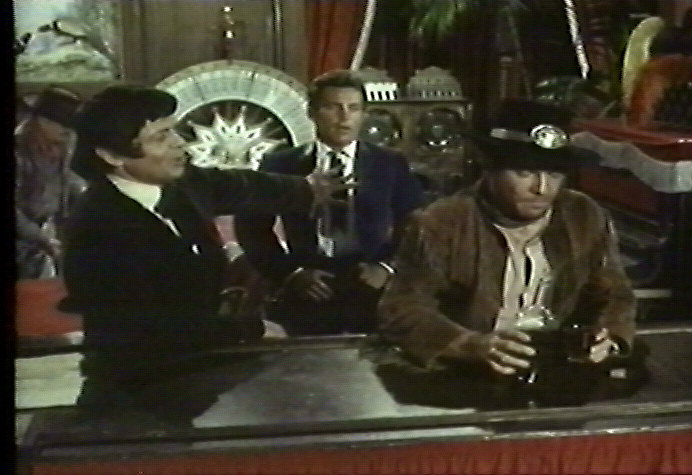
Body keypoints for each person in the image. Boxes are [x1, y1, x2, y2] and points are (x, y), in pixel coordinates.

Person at [59, 85, 351, 413]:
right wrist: (249, 329)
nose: (179, 143)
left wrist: (307, 188)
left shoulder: (181, 185)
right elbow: (149, 331)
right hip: (134, 394)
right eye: (161, 137)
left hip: (194, 375)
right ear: (112, 156)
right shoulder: (96, 230)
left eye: (173, 131)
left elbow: (240, 186)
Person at [378, 99, 636, 375]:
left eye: (553, 174)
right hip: (466, 372)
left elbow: (615, 293)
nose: (542, 188)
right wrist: (468, 345)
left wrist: (609, 336)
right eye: (525, 173)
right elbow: (402, 307)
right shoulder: (443, 221)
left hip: (559, 365)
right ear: (490, 169)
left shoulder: (583, 215)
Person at [234, 70, 425, 335]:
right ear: (312, 112)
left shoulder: (390, 163)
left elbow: (417, 225)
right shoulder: (280, 164)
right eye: (333, 107)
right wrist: (291, 274)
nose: (344, 117)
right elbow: (251, 228)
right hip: (308, 290)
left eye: (353, 108)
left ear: (364, 114)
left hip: (372, 289)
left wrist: (386, 267)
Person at [15, 86, 85, 279]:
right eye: (63, 124)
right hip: (23, 240)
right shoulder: (19, 152)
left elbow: (70, 182)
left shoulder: (63, 145)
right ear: (43, 121)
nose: (68, 130)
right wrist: (39, 237)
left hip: (49, 231)